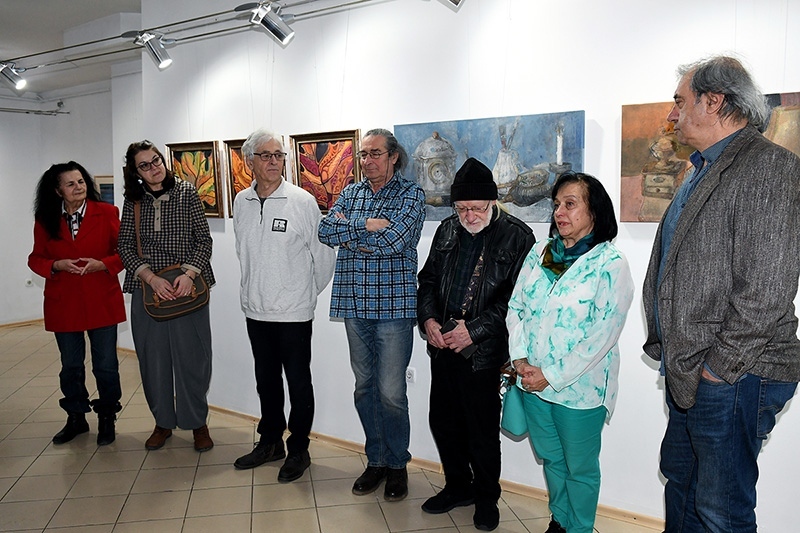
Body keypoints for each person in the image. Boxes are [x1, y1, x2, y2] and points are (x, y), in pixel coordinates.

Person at [643, 56, 800, 532]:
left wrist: (718, 369)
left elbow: (767, 289)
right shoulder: (701, 169)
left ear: (713, 101)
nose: (672, 115)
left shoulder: (769, 167)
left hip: (736, 373)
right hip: (692, 368)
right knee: (682, 483)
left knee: (720, 510)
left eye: (679, 101)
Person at [506, 172, 633, 533]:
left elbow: (602, 334)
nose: (559, 212)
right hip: (532, 382)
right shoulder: (540, 253)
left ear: (595, 212)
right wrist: (521, 361)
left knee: (580, 468)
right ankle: (560, 521)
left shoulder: (610, 263)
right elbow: (516, 308)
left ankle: (579, 528)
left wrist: (550, 375)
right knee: (552, 460)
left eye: (570, 204)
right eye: (557, 204)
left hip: (580, 391)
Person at [417, 157, 535, 531]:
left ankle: (486, 498)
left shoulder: (518, 237)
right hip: (443, 346)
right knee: (443, 423)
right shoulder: (447, 230)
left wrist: (475, 330)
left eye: (477, 208)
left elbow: (519, 301)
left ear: (493, 202)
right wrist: (429, 320)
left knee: (481, 432)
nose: (469, 216)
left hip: (484, 353)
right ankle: (457, 487)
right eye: (462, 208)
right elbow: (428, 281)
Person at [318, 128, 425, 502]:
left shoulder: (411, 194)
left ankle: (397, 465)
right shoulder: (350, 193)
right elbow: (325, 230)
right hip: (354, 305)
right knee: (364, 388)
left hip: (393, 308)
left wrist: (350, 237)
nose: (367, 161)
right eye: (363, 154)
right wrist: (364, 225)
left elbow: (396, 241)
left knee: (391, 393)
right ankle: (376, 460)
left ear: (393, 156)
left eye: (375, 153)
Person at [232, 129, 335, 482]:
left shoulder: (302, 202)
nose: (274, 161)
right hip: (256, 310)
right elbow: (244, 252)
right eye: (266, 155)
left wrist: (302, 294)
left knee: (298, 383)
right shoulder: (241, 202)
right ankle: (270, 442)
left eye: (279, 155)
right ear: (250, 161)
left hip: (293, 313)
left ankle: (299, 449)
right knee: (266, 381)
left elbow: (323, 257)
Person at [117, 140, 216, 452]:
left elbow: (204, 240)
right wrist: (150, 278)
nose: (153, 168)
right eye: (144, 165)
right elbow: (124, 246)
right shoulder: (133, 202)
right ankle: (162, 423)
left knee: (194, 359)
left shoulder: (187, 192)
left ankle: (197, 423)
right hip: (149, 292)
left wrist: (189, 274)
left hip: (188, 289)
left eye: (156, 160)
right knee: (153, 361)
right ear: (136, 172)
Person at [28, 161, 126, 446]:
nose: (78, 187)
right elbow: (35, 258)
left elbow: (125, 252)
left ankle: (107, 416)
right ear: (57, 190)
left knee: (105, 366)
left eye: (81, 181)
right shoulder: (45, 219)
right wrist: (56, 265)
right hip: (64, 304)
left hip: (101, 300)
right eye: (70, 184)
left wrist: (103, 264)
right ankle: (76, 417)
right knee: (71, 366)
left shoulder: (107, 212)